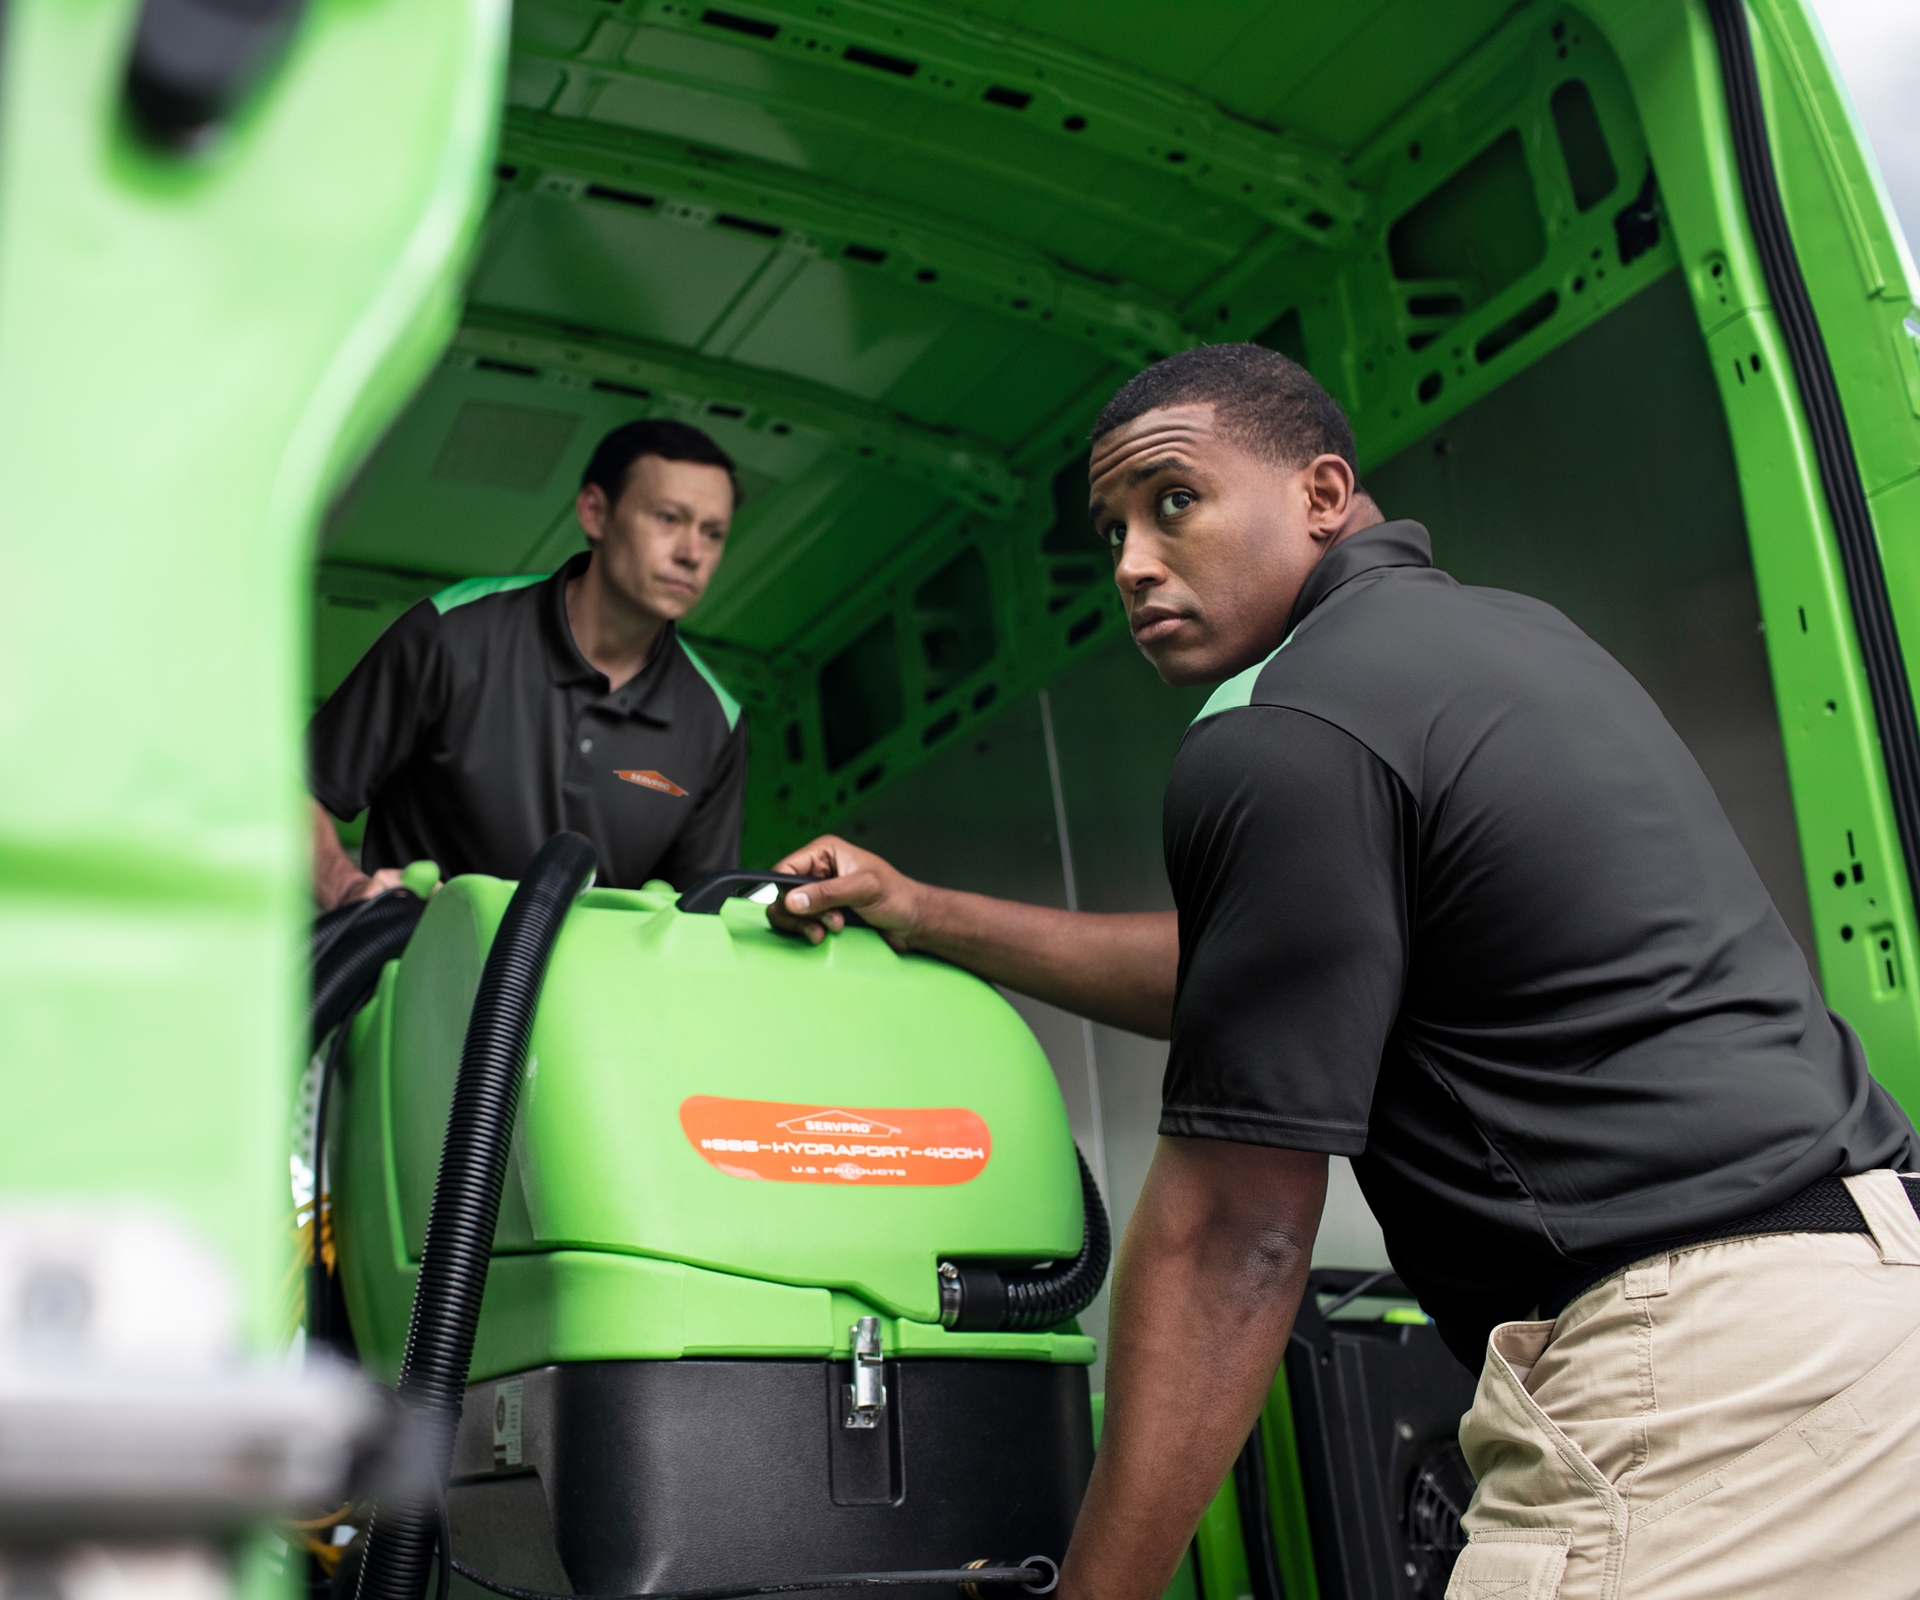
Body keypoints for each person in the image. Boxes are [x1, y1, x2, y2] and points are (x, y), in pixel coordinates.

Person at [770, 344, 1920, 1599]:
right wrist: (922, 910)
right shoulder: (1516, 643)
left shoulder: (1288, 728)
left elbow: (1230, 1233)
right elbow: (1252, 979)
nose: (1133, 564)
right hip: (1875, 1305)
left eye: (1173, 502)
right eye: (1109, 532)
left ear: (1323, 493)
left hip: (1696, 1388)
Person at [309, 419, 747, 906]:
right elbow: (295, 792)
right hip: (409, 967)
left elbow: (698, 918)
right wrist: (349, 892)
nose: (692, 553)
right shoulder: (455, 633)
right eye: (668, 518)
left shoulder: (717, 724)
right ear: (595, 513)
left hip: (575, 984)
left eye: (713, 534)